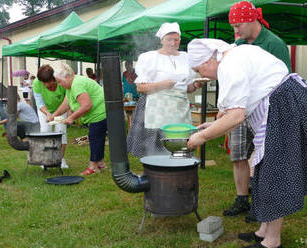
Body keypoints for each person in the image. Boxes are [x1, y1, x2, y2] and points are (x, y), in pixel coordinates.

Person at [187, 38, 306, 248]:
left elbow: (236, 117)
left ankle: (272, 242)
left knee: (274, 175)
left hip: (283, 109)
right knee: (260, 171)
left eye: (199, 69)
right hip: (280, 106)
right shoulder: (235, 55)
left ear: (208, 62)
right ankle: (263, 231)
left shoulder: (229, 65)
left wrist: (202, 138)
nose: (201, 75)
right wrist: (212, 127)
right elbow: (233, 112)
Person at [217, 1, 293, 220]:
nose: (235, 31)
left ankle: (260, 204)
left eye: (238, 25)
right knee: (239, 155)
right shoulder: (238, 44)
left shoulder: (274, 43)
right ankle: (242, 198)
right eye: (233, 26)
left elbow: (283, 81)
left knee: (263, 158)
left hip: (266, 112)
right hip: (240, 109)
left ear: (253, 20)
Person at [127, 22, 198, 158]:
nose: (173, 43)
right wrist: (162, 85)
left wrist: (195, 86)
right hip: (156, 108)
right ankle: (156, 173)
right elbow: (140, 87)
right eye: (169, 39)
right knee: (155, 150)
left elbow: (187, 88)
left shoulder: (186, 58)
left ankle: (178, 171)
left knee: (179, 143)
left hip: (179, 108)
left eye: (176, 40)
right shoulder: (149, 58)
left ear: (180, 40)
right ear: (162, 40)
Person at [51, 63, 107, 176]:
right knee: (97, 138)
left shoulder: (77, 84)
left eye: (59, 81)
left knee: (95, 138)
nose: (59, 85)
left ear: (66, 77)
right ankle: (101, 163)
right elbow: (66, 103)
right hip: (97, 114)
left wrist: (71, 118)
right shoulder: (71, 86)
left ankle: (93, 167)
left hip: (100, 113)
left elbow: (87, 105)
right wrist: (55, 114)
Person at [32, 65, 69, 169]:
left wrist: (57, 113)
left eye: (47, 82)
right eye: (43, 82)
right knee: (45, 132)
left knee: (61, 132)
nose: (45, 84)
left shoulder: (61, 81)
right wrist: (48, 113)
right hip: (45, 111)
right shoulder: (36, 83)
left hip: (61, 108)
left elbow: (67, 100)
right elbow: (39, 103)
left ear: (54, 78)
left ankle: (61, 159)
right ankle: (45, 159)